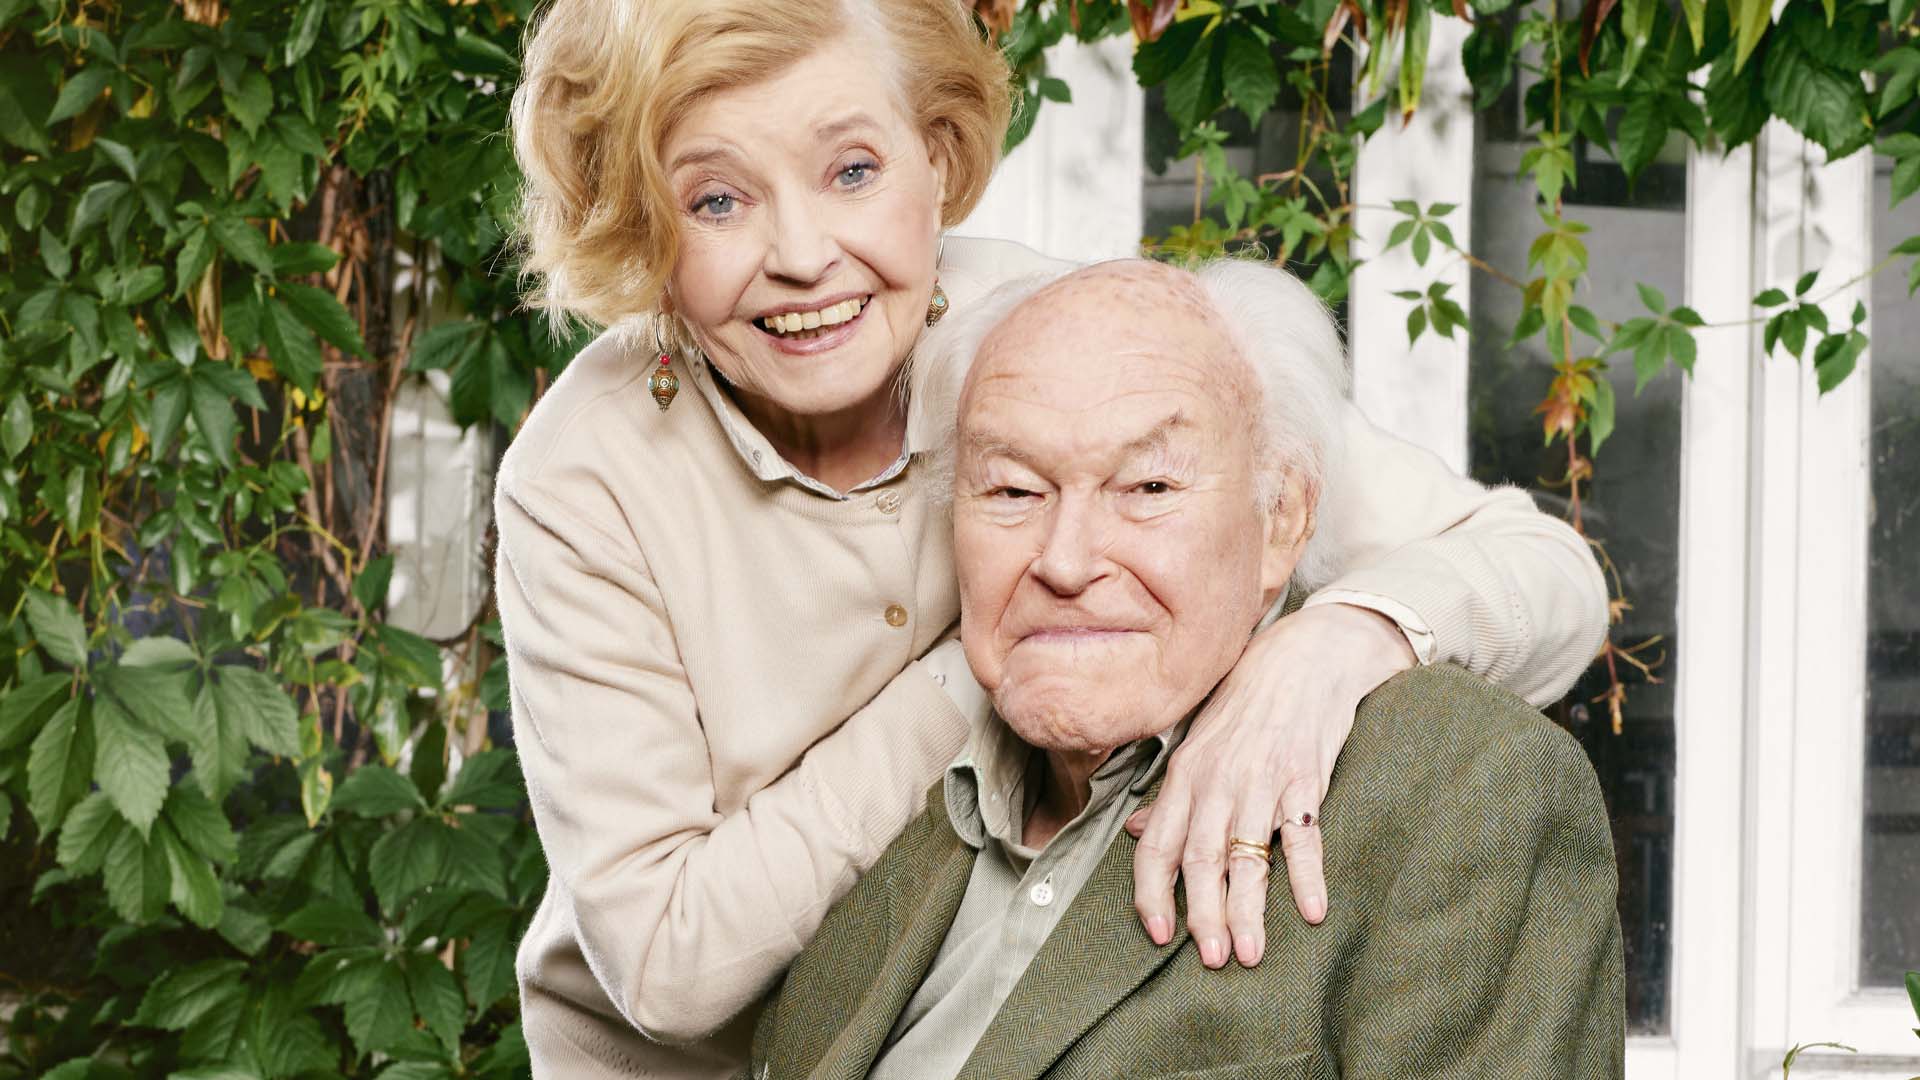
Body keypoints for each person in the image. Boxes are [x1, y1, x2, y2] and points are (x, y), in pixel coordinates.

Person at [496, 0, 1610, 1074]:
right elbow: (667, 968)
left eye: (853, 172)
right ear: (640, 223)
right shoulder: (584, 475)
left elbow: (1545, 575)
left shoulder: (1055, 350)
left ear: (938, 159)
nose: (801, 254)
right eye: (715, 201)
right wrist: (1008, 664)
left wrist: (1330, 647)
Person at [750, 258, 1625, 1079]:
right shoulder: (897, 806)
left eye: (1149, 489)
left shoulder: (1461, 785)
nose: (1065, 561)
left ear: (1281, 520)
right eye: (1013, 490)